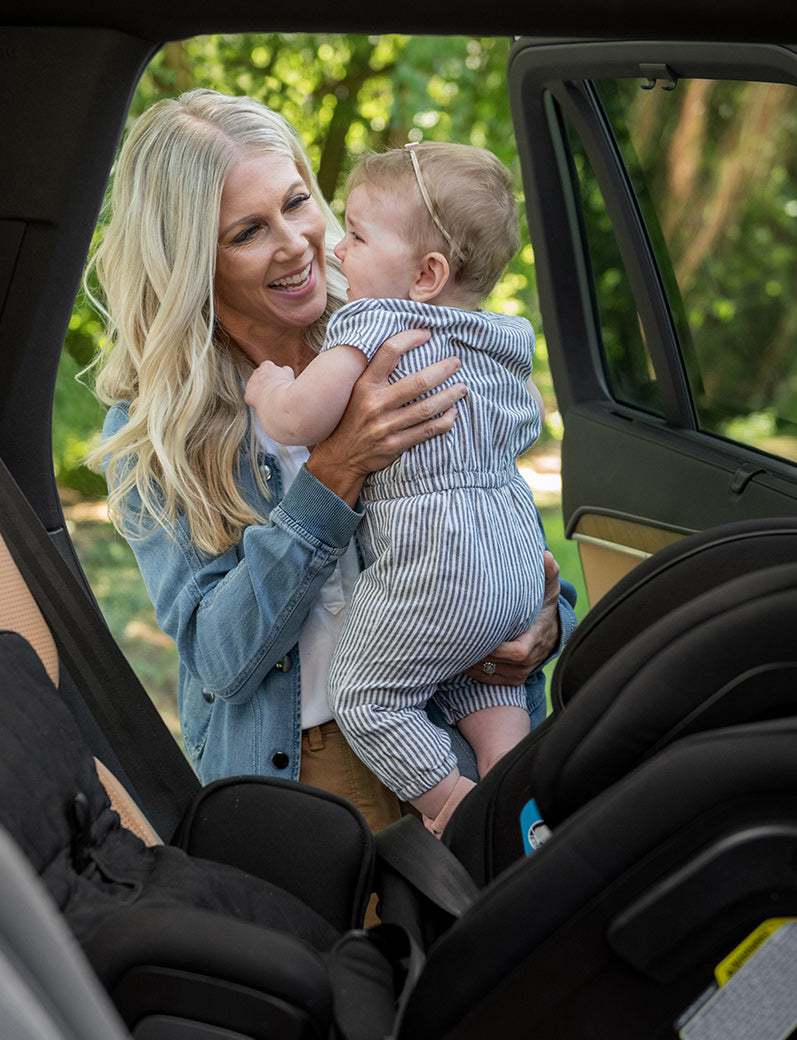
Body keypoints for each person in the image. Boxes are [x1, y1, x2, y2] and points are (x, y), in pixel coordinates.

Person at [86, 89, 577, 841]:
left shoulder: (403, 327)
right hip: (309, 778)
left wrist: (547, 618)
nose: (297, 243)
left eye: (298, 202)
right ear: (192, 260)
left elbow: (484, 512)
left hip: (459, 727)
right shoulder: (158, 429)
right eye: (250, 230)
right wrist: (337, 469)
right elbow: (218, 660)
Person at [245, 142, 546, 835]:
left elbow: (301, 419)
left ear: (426, 273)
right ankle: (515, 786)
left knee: (369, 694)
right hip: (510, 554)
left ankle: (455, 809)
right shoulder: (499, 338)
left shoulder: (373, 322)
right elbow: (520, 428)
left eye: (354, 233)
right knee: (477, 672)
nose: (336, 249)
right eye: (250, 230)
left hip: (435, 567)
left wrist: (271, 393)